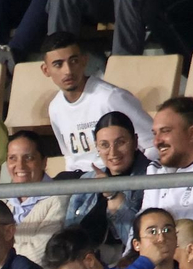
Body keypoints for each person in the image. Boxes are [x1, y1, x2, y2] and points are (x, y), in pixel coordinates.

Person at [40, 33, 155, 173]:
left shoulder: (110, 97)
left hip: (113, 177)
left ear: (84, 61)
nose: (68, 71)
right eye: (58, 64)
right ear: (46, 70)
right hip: (79, 181)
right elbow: (70, 157)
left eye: (74, 61)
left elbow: (152, 143)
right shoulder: (55, 108)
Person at [64, 111, 154, 251]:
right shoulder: (87, 179)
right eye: (104, 145)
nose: (113, 153)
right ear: (97, 147)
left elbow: (139, 243)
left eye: (120, 142)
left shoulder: (154, 177)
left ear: (135, 142)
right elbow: (68, 236)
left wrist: (113, 196)